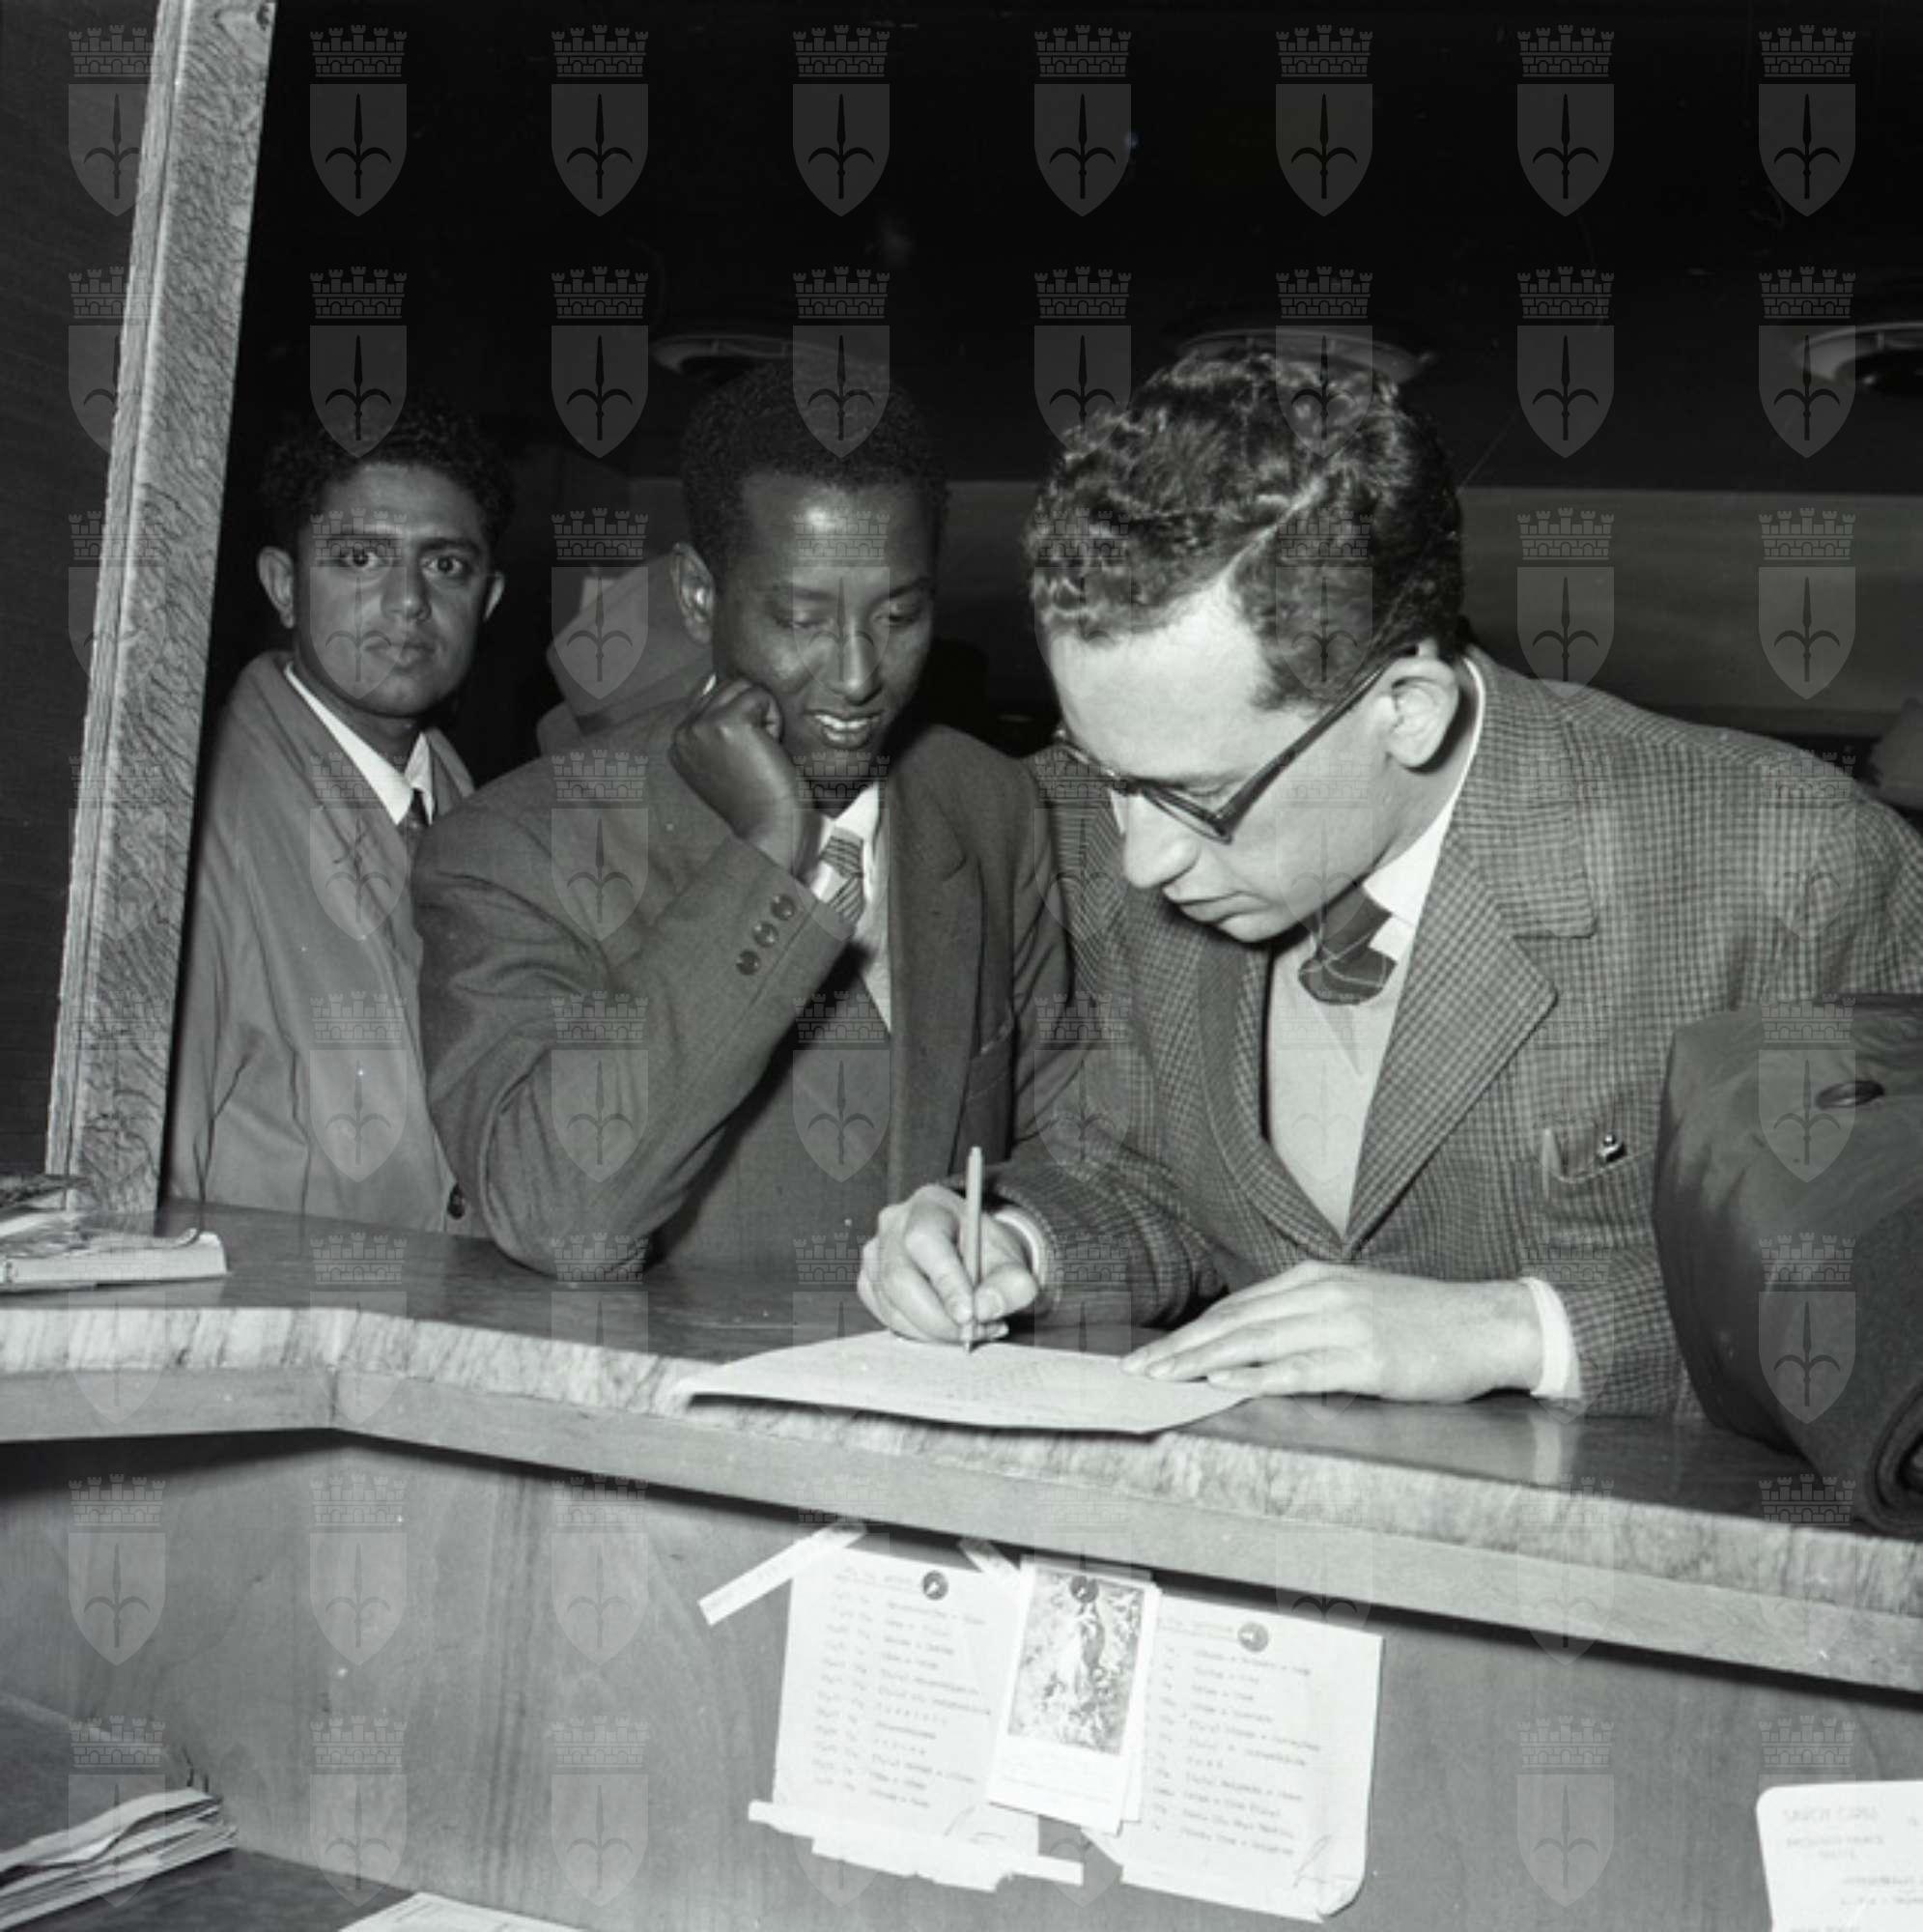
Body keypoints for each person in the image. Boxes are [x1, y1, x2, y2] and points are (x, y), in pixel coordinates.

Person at [860, 341, 1923, 1416]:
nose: (1143, 860)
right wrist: (1015, 1241)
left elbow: (1885, 1299)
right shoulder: (1148, 848)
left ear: (1407, 712)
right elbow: (1149, 1178)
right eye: (1109, 778)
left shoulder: (1795, 866)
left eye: (1199, 795)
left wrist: (1519, 1330)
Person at [412, 362, 1067, 1277]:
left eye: (899, 616)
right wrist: (767, 857)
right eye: (799, 618)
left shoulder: (991, 805)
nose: (857, 676)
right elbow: (560, 1215)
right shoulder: (509, 849)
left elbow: (1066, 1152)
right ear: (698, 595)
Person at [164, 395, 511, 1232]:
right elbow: (136, 1207)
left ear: (488, 600)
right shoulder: (194, 827)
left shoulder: (495, 827)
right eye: (358, 558)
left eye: (446, 566)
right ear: (284, 587)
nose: (407, 602)